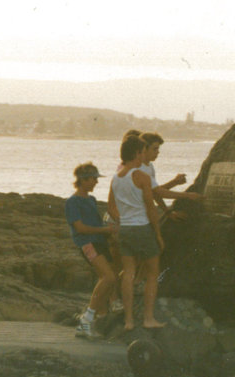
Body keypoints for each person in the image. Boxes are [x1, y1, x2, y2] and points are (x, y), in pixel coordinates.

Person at [108, 135, 166, 330]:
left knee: (128, 273)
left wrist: (122, 220)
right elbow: (151, 208)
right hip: (142, 228)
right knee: (152, 273)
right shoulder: (142, 177)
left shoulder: (116, 178)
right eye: (142, 152)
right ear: (136, 153)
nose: (143, 156)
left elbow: (111, 207)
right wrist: (157, 234)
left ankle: (128, 321)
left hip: (125, 229)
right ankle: (148, 319)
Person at [65, 162, 120, 339]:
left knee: (108, 278)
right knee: (108, 277)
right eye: (93, 179)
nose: (96, 182)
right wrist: (104, 230)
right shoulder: (73, 202)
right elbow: (80, 228)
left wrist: (108, 232)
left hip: (100, 242)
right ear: (83, 180)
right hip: (88, 244)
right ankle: (85, 322)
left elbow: (95, 223)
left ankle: (101, 317)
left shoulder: (91, 200)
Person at [138, 131, 204, 219]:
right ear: (144, 149)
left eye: (158, 149)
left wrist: (167, 212)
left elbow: (155, 193)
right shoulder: (139, 168)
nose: (158, 152)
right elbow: (159, 192)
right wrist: (188, 195)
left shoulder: (149, 166)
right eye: (155, 149)